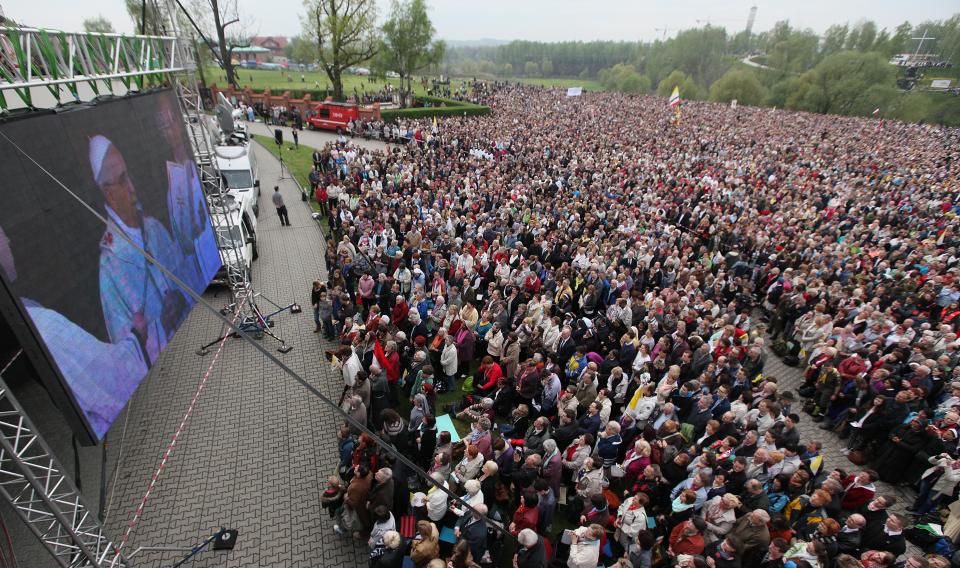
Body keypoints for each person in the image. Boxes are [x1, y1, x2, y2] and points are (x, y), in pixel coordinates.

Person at [91, 135, 190, 366]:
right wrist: (159, 327)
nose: (133, 188)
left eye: (129, 176)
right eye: (123, 180)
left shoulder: (153, 227)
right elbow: (126, 350)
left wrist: (182, 298)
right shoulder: (110, 266)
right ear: (109, 194)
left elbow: (185, 273)